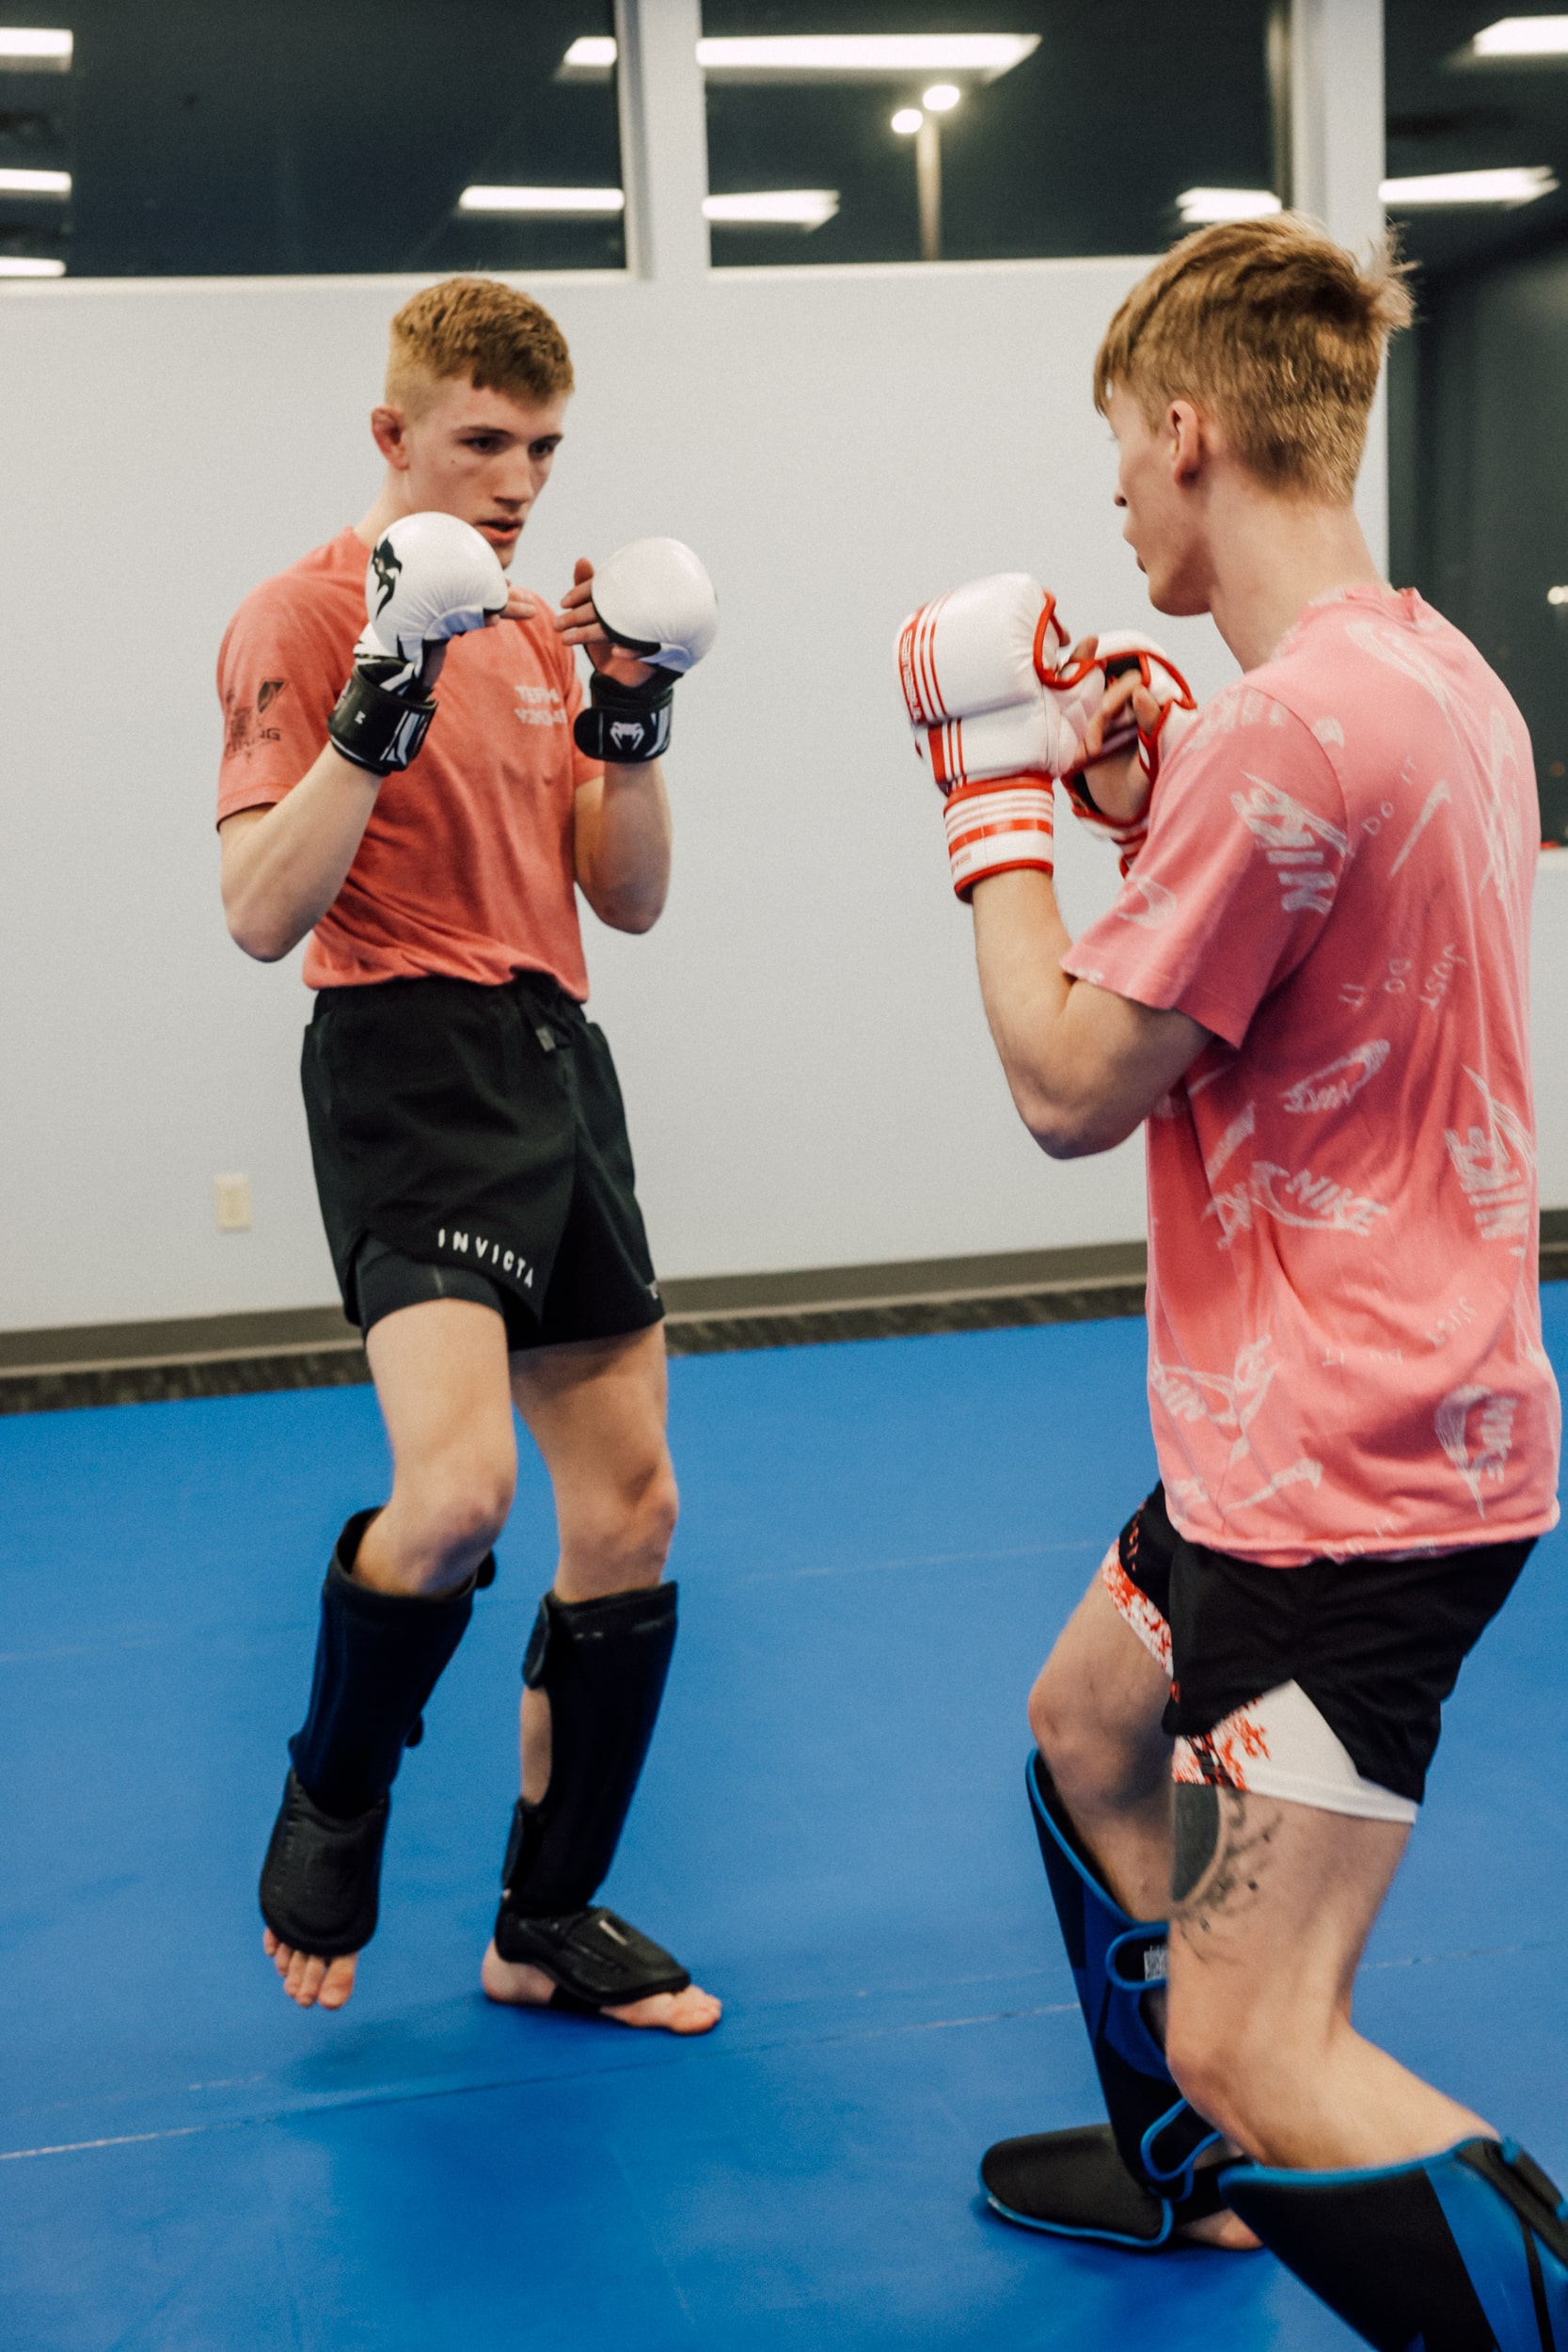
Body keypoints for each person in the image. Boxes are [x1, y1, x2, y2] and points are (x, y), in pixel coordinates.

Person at [901, 216, 1567, 2338]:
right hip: (1296, 1428)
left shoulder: (1287, 736)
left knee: (1262, 2032)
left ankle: (1240, 2128)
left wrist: (997, 805)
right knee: (1088, 1727)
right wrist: (1150, 791)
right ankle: (1186, 2186)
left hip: (1348, 1480)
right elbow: (1303, 950)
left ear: (1188, 431)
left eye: (1119, 449)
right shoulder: (1427, 673)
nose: (1109, 496)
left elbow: (1072, 1077)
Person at [215, 274, 721, 2035]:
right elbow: (257, 914)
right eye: (482, 443)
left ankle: (544, 1924)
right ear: (396, 435)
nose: (516, 483)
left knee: (634, 1512)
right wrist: (374, 699)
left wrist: (634, 708)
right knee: (455, 1499)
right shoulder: (293, 616)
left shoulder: (538, 632)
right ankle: (334, 1799)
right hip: (402, 1061)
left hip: (554, 1056)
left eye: (543, 449)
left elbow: (631, 899)